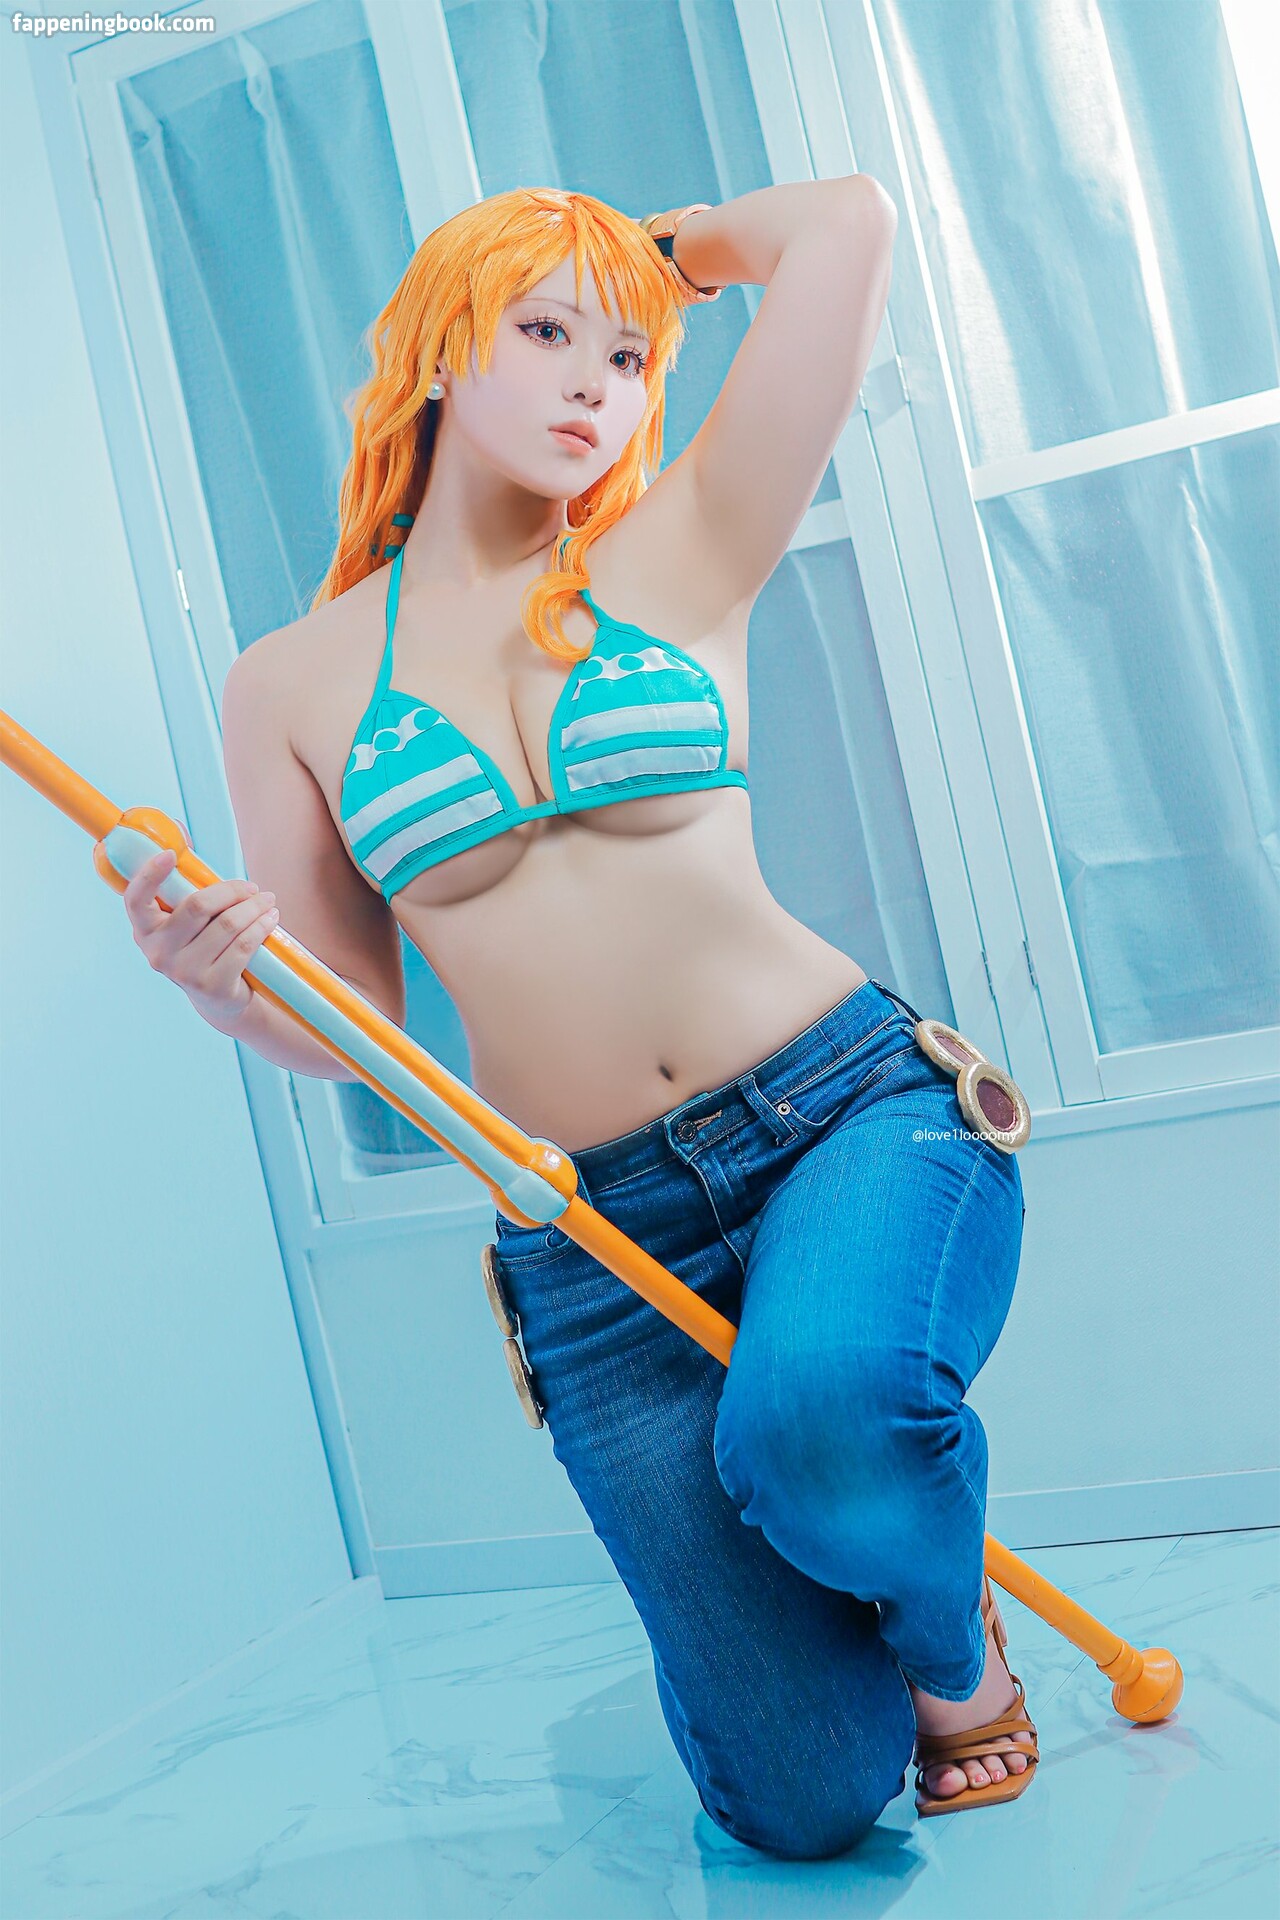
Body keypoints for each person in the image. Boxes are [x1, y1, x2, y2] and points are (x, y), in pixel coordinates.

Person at [123, 183, 1035, 1856]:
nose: (592, 382)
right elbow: (354, 1025)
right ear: (436, 352)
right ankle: (847, 1572)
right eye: (542, 329)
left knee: (822, 1427)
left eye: (625, 356)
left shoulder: (680, 544)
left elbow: (845, 227)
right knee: (801, 1804)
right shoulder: (288, 683)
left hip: (843, 1115)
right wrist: (224, 987)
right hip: (590, 1236)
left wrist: (654, 257)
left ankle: (954, 1653)